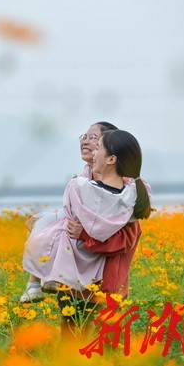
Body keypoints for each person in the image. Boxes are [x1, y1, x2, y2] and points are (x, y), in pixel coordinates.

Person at [23, 130, 152, 332]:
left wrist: (83, 234)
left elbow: (122, 243)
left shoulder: (128, 202)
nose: (90, 147)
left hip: (105, 289)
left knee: (94, 346)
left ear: (111, 158)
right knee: (75, 342)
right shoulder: (93, 190)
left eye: (97, 143)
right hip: (76, 287)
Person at [19, 121, 119, 303]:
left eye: (93, 138)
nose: (85, 142)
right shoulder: (85, 176)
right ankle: (40, 280)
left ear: (109, 147)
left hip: (99, 282)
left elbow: (120, 236)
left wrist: (82, 233)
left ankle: (40, 280)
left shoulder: (118, 184)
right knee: (43, 221)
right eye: (84, 137)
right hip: (73, 272)